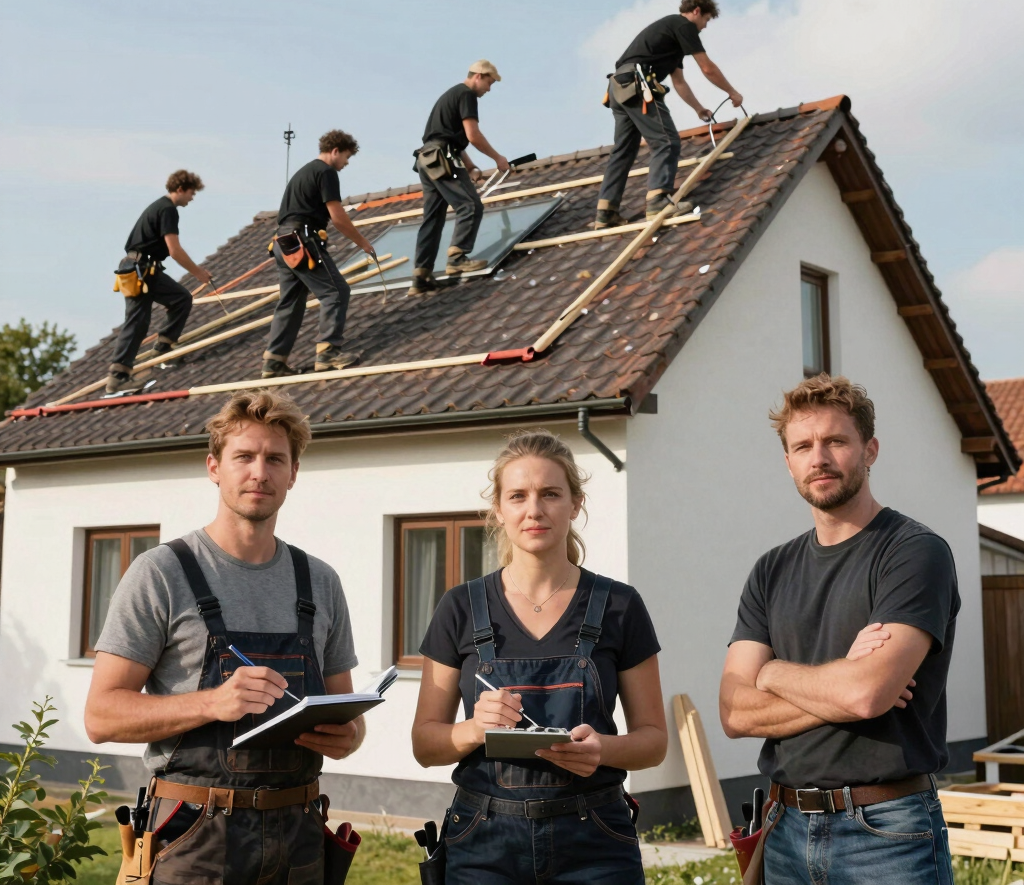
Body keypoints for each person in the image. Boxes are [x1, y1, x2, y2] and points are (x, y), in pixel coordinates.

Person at [84, 389, 363, 884]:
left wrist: (348, 735)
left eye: (275, 458)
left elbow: (349, 716)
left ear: (293, 473)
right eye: (244, 457)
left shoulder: (320, 582)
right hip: (197, 838)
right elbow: (101, 716)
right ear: (214, 466)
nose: (260, 471)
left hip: (299, 834)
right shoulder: (161, 573)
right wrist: (212, 703)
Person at [719, 374, 959, 884]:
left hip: (887, 832)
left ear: (869, 450)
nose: (818, 458)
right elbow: (734, 712)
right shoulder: (771, 569)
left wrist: (773, 672)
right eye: (802, 446)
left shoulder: (914, 552)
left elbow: (868, 695)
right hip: (783, 829)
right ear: (788, 462)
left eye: (836, 441)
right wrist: (843, 678)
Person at [412, 430, 667, 885]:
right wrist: (475, 727)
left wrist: (602, 750)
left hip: (596, 840)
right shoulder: (460, 606)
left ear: (576, 503)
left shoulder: (619, 605)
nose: (534, 509)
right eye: (518, 496)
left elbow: (654, 741)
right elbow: (425, 746)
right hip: (483, 841)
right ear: (499, 509)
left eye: (550, 493)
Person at [594, 0, 743, 230]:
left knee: (623, 150)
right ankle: (658, 202)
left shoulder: (669, 37)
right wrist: (732, 92)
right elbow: (707, 68)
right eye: (706, 20)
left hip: (618, 88)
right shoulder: (683, 25)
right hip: (636, 83)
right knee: (666, 141)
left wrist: (698, 108)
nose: (704, 27)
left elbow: (679, 82)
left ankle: (606, 212)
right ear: (696, 11)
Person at [262, 129, 375, 379]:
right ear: (335, 151)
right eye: (346, 157)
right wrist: (363, 242)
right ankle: (328, 354)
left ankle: (273, 362)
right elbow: (337, 216)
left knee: (290, 301)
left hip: (283, 242)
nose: (346, 163)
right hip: (303, 240)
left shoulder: (303, 173)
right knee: (336, 291)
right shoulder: (325, 172)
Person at [105, 170, 212, 395]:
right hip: (142, 269)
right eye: (192, 193)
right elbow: (174, 250)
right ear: (181, 189)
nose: (192, 198)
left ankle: (143, 359)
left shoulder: (159, 207)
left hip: (136, 268)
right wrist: (198, 272)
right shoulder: (168, 210)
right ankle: (129, 370)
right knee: (170, 305)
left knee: (145, 317)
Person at [408, 60, 509, 297]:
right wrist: (498, 158)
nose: (489, 89)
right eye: (489, 82)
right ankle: (457, 257)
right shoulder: (466, 95)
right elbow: (472, 135)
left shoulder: (450, 95)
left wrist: (471, 166)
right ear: (478, 76)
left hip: (428, 159)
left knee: (432, 218)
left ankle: (421, 276)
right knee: (470, 205)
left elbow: (450, 138)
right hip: (443, 157)